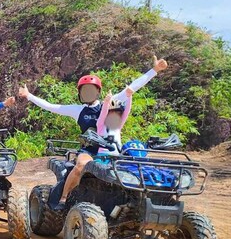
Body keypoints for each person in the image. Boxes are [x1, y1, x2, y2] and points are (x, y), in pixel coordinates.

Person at [17, 56, 169, 208]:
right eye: (84, 90)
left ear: (98, 92)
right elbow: (51, 106)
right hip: (89, 151)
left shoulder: (109, 104)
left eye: (91, 90)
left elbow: (131, 89)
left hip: (111, 150)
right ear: (80, 93)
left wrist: (154, 70)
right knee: (81, 165)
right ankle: (64, 198)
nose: (88, 93)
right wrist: (29, 96)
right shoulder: (78, 110)